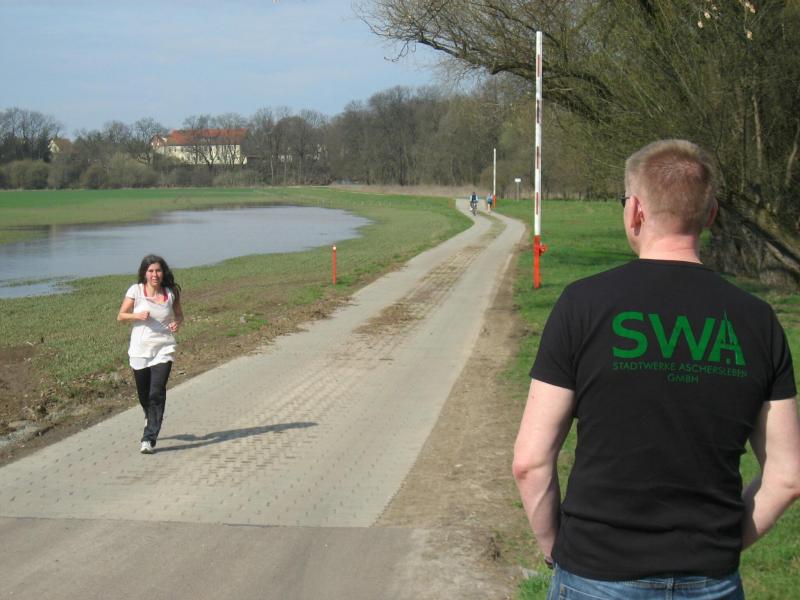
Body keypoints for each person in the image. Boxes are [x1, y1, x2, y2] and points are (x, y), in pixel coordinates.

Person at [512, 139, 800, 599]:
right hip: (712, 581)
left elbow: (530, 462)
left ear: (636, 211)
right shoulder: (758, 321)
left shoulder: (582, 306)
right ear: (710, 214)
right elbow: (787, 477)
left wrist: (556, 550)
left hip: (595, 574)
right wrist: (718, 548)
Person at [117, 254, 183, 454]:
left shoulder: (171, 292)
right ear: (145, 273)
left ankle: (149, 438)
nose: (155, 275)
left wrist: (177, 323)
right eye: (151, 271)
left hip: (163, 348)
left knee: (157, 392)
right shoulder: (136, 291)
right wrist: (136, 315)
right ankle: (150, 415)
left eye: (158, 270)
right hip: (140, 350)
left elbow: (179, 314)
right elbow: (121, 316)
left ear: (163, 272)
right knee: (144, 394)